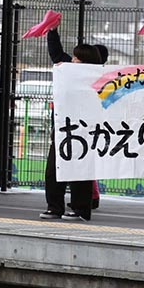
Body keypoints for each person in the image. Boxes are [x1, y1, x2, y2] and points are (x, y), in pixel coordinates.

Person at [39, 41, 102, 221]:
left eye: (77, 58)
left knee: (80, 172)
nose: (72, 60)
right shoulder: (66, 71)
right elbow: (57, 54)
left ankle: (81, 209)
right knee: (53, 171)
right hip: (62, 132)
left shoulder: (96, 79)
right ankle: (54, 207)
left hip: (85, 133)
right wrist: (52, 32)